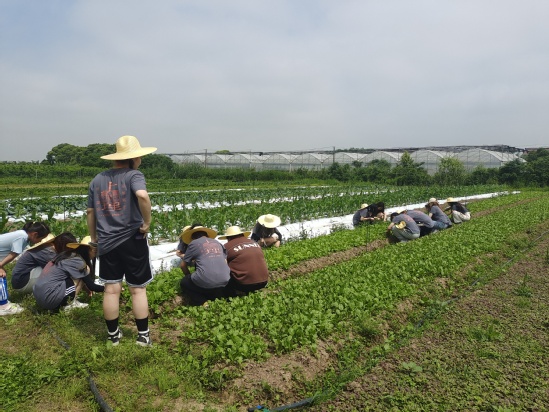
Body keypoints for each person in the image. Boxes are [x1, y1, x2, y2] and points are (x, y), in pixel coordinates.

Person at [87, 135, 156, 347]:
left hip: (107, 242)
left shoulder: (97, 179)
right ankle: (143, 336)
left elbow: (90, 212)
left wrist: (94, 238)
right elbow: (142, 196)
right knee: (137, 289)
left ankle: (113, 336)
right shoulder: (134, 175)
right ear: (133, 158)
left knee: (111, 289)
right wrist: (147, 222)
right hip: (132, 239)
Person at [33, 234, 104, 312]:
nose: (95, 255)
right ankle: (70, 304)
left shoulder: (67, 256)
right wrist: (109, 289)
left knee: (79, 274)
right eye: (95, 252)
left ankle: (63, 302)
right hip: (50, 299)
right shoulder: (78, 261)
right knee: (85, 270)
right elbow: (92, 287)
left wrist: (87, 289)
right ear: (90, 250)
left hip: (40, 297)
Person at [0, 222, 51, 315]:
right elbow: (13, 254)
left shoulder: (23, 236)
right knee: (1, 276)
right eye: (41, 238)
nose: (40, 241)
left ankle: (3, 300)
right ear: (35, 234)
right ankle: (3, 306)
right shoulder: (22, 236)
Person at [179, 225, 230, 306]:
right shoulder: (217, 243)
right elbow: (225, 262)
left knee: (184, 282)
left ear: (192, 237)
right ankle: (217, 296)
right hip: (225, 280)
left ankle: (202, 302)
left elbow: (183, 265)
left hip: (206, 281)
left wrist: (189, 277)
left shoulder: (193, 244)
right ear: (207, 235)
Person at [219, 226, 269, 297]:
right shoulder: (254, 243)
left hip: (244, 285)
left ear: (228, 237)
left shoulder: (226, 247)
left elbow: (222, 265)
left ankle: (233, 293)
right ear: (242, 235)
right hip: (264, 281)